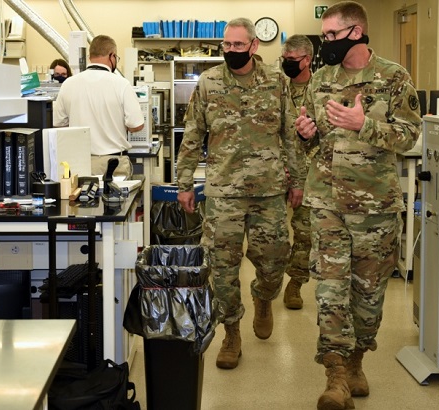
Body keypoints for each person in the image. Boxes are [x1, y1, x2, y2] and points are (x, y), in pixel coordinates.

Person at [294, 2, 421, 409]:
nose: (324, 43)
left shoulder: (393, 77)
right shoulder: (320, 81)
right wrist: (306, 133)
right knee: (331, 292)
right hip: (327, 202)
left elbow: (410, 138)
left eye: (331, 36)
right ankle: (334, 377)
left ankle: (356, 361)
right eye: (324, 36)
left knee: (367, 299)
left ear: (357, 33)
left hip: (375, 209)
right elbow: (315, 144)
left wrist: (362, 125)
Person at [176, 18, 306, 370]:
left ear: (253, 46)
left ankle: (264, 298)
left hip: (269, 192)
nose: (231, 51)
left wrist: (298, 182)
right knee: (221, 269)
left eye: (238, 45)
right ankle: (231, 333)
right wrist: (184, 182)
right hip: (223, 192)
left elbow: (291, 136)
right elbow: (192, 135)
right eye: (227, 45)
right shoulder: (209, 82)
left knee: (275, 260)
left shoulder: (277, 82)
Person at [53, 35, 144, 178]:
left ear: (90, 56)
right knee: (116, 200)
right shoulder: (121, 84)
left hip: (80, 162)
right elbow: (136, 125)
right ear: (112, 56)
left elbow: (59, 125)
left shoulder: (68, 84)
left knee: (79, 199)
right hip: (114, 164)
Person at [280, 34, 314, 310]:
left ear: (307, 60)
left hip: (310, 174)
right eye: (284, 59)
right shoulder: (276, 87)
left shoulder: (322, 89)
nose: (286, 64)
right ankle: (268, 285)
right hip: (274, 172)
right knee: (273, 236)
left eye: (291, 60)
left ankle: (296, 283)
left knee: (304, 234)